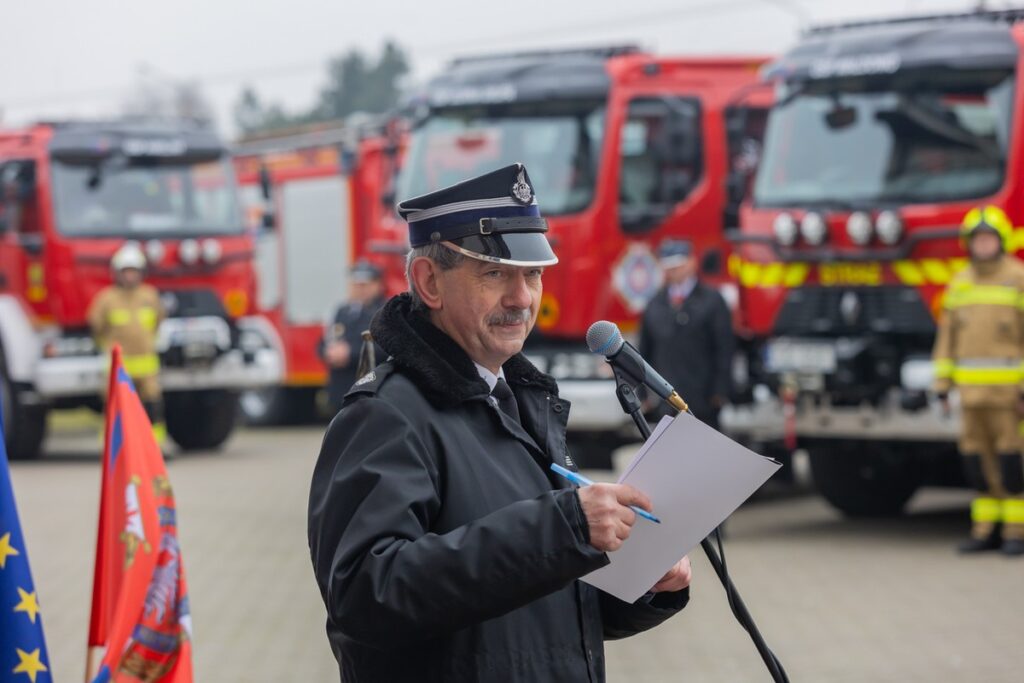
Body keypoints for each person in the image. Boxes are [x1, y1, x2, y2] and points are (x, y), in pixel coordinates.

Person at [308, 164, 691, 682]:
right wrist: (564, 527)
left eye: (532, 274)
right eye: (495, 273)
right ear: (429, 282)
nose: (522, 298)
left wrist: (642, 583)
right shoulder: (385, 416)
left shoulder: (522, 403)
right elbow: (365, 595)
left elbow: (536, 610)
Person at [934, 205, 1024, 557]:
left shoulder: (1018, 278)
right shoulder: (959, 283)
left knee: (1011, 465)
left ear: (1000, 241)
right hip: (970, 399)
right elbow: (947, 341)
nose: (983, 245)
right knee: (976, 465)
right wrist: (942, 385)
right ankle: (985, 530)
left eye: (989, 238)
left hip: (1008, 399)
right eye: (977, 239)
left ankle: (1016, 532)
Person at [638, 239, 734, 429]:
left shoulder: (712, 301)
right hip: (665, 397)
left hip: (703, 396)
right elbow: (644, 352)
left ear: (692, 262)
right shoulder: (655, 304)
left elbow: (724, 347)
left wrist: (720, 391)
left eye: (678, 265)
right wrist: (643, 393)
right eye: (669, 266)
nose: (674, 271)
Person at [87, 242, 166, 443]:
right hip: (120, 366)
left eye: (134, 271)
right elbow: (96, 325)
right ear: (117, 273)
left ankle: (153, 445)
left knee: (151, 404)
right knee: (116, 406)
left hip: (147, 364)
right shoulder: (106, 299)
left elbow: (158, 321)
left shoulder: (150, 295)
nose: (130, 276)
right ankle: (115, 446)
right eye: (126, 271)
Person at [318, 260, 387, 413]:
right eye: (356, 284)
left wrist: (350, 353)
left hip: (369, 390)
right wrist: (328, 352)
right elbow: (324, 341)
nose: (360, 289)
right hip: (341, 391)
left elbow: (386, 346)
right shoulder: (342, 311)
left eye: (365, 285)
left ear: (377, 285)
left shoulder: (385, 312)